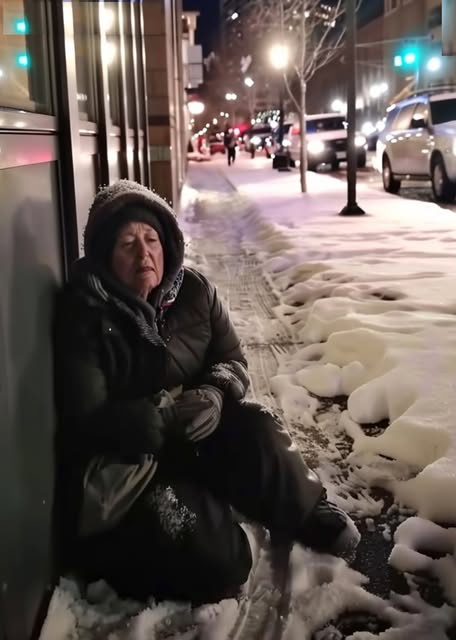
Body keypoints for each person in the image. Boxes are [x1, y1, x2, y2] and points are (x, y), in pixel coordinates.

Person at [53, 179, 360, 605]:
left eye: (152, 240)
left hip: (200, 434)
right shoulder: (85, 314)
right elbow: (85, 417)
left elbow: (233, 360)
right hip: (140, 461)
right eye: (127, 244)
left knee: (256, 425)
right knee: (223, 567)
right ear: (106, 256)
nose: (144, 254)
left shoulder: (194, 291)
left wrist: (216, 391)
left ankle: (306, 509)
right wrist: (150, 419)